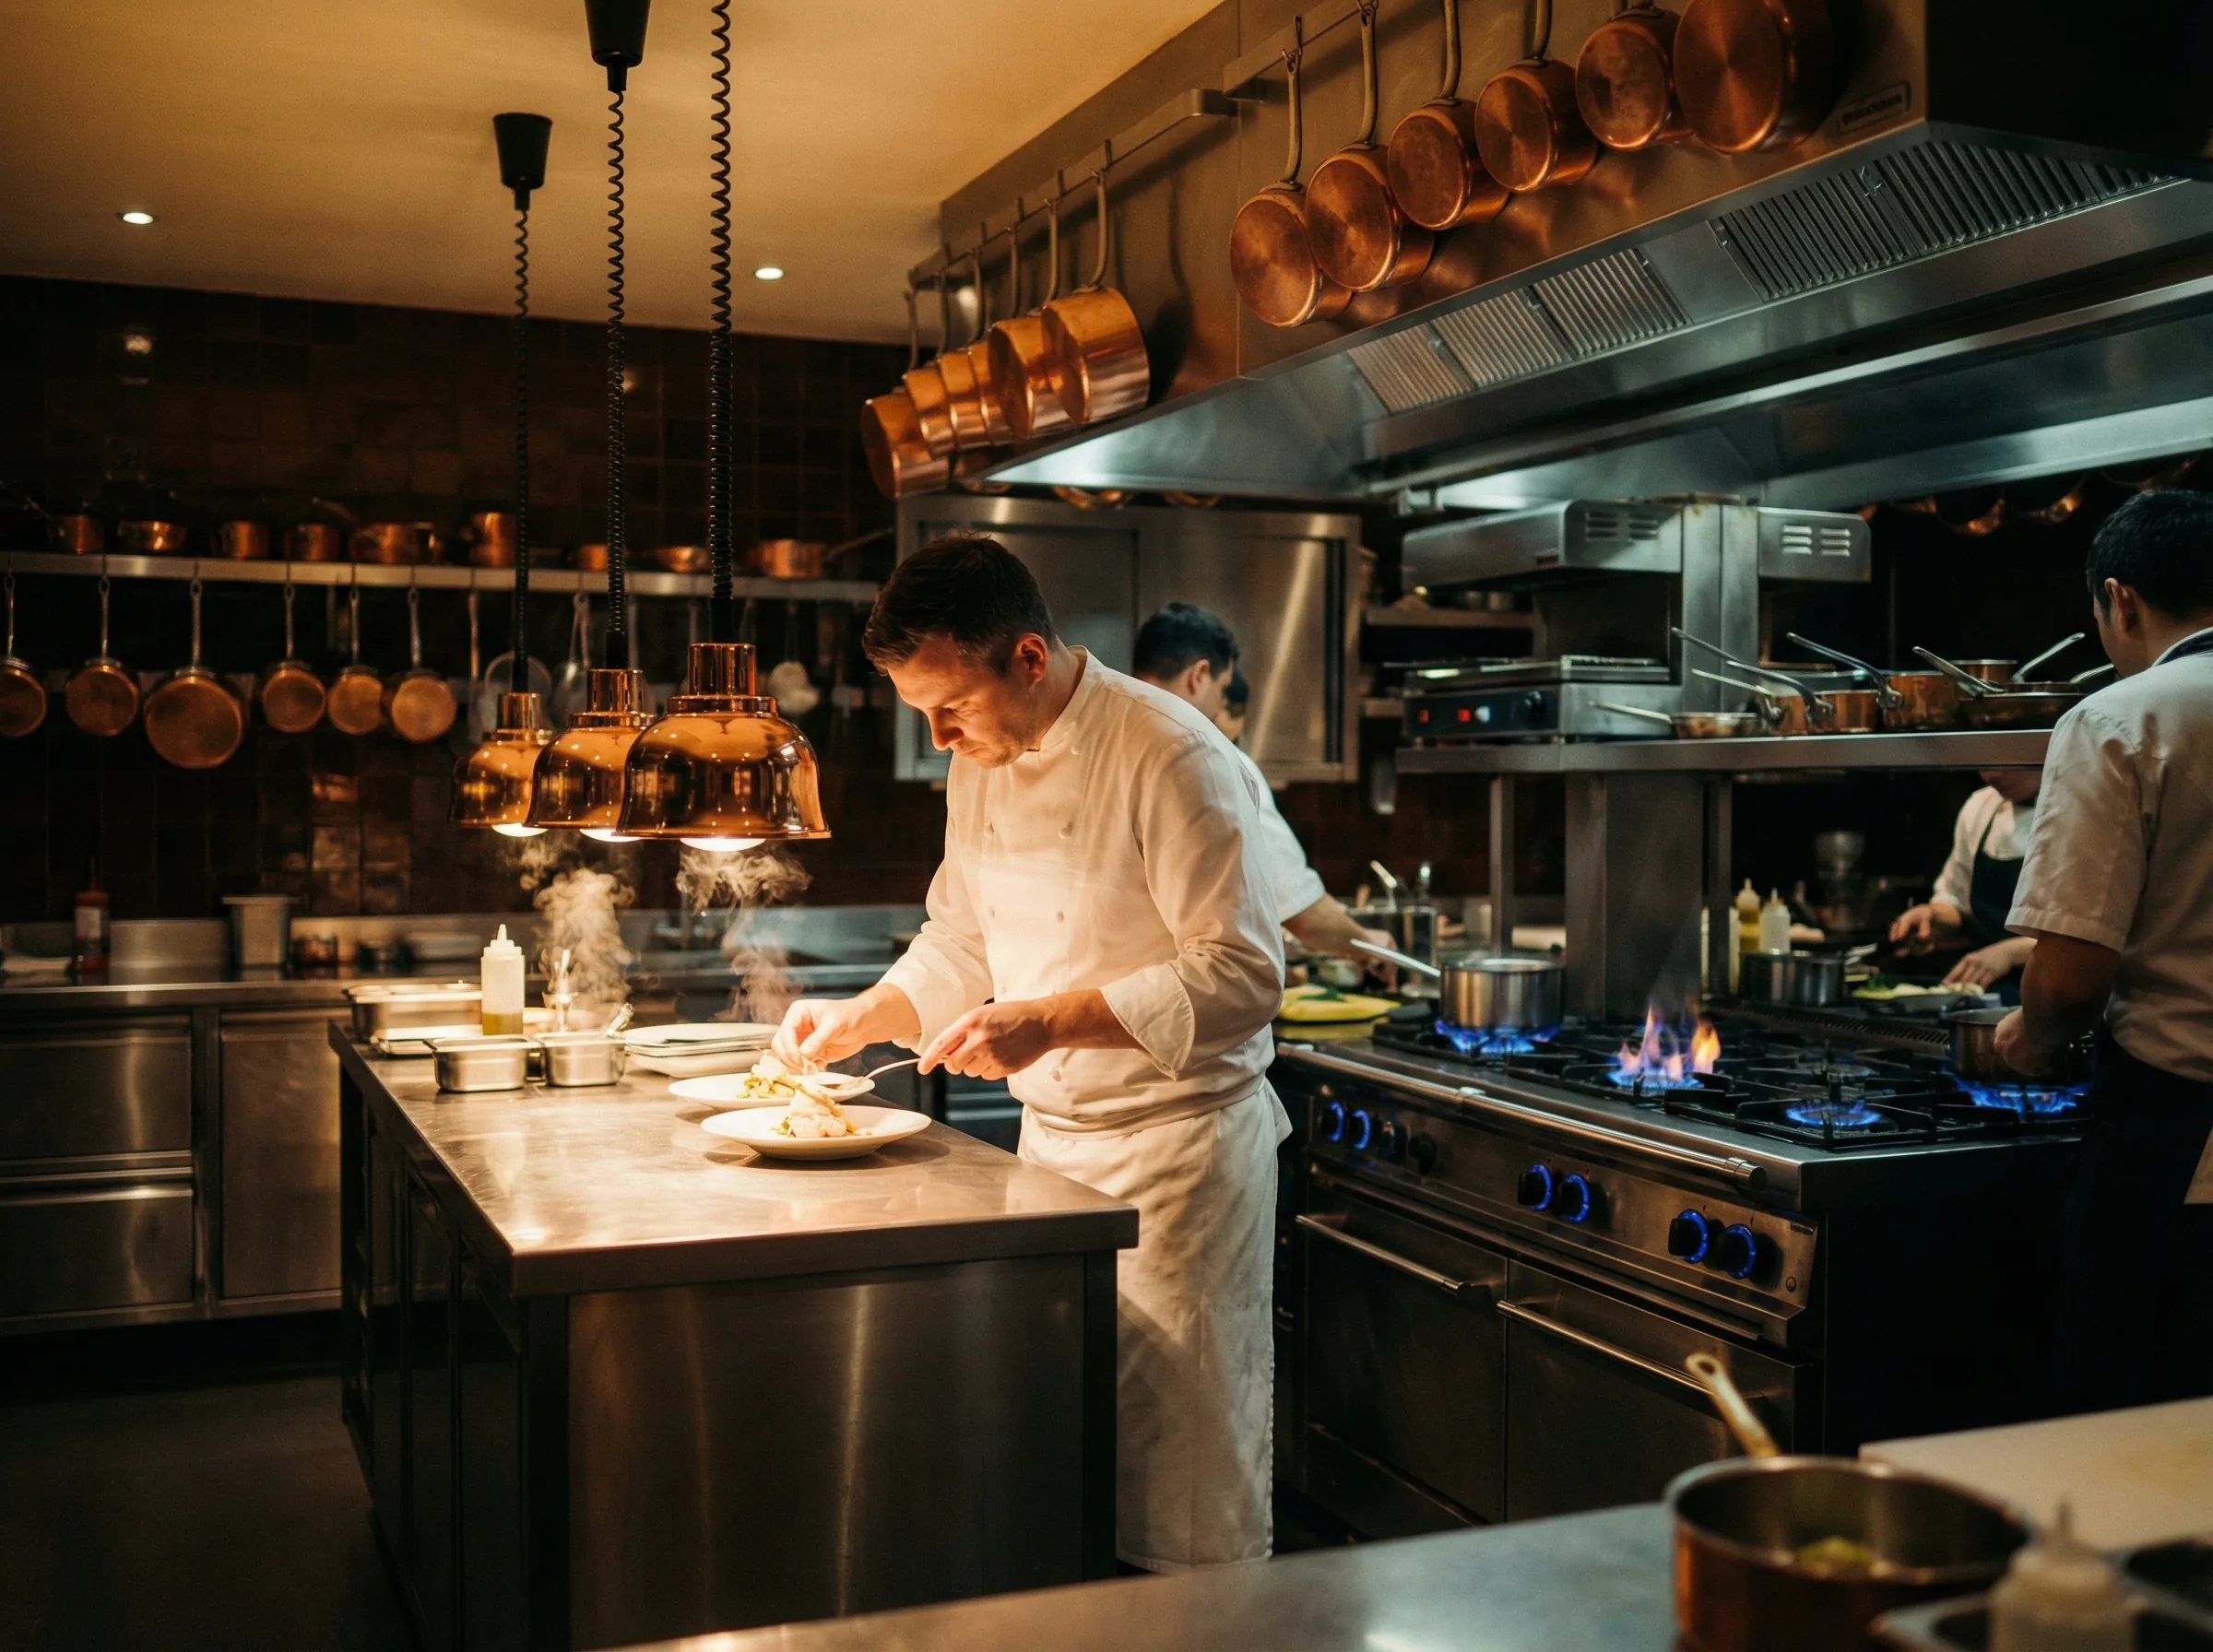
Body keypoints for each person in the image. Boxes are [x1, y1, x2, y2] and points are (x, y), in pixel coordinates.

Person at [773, 536, 1288, 1571]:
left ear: (1027, 659)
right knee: (1068, 1457)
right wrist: (871, 1011)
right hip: (1054, 1162)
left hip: (1175, 1171)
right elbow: (962, 935)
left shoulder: (1172, 751)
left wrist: (1048, 1020)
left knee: (1182, 1480)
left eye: (948, 706)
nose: (937, 734)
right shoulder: (983, 762)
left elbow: (1242, 974)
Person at [1996, 490, 2213, 1410]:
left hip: (2176, 1157)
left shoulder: (2122, 718)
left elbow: (2071, 981)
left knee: (2134, 1453)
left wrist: (2030, 1037)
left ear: (2119, 601)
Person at [1132, 602, 1390, 961]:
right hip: (1189, 999)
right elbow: (1302, 912)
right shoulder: (1214, 760)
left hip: (1107, 998)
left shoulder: (1101, 748)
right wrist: (1364, 942)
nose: (1220, 706)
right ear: (1199, 676)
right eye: (1222, 689)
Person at [1888, 769, 2044, 996]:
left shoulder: (2082, 807)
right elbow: (1958, 903)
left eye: (2006, 759)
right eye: (1984, 762)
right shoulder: (1981, 806)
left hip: (2057, 994)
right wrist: (1932, 916)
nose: (1992, 775)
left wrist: (2012, 952)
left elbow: (2092, 938)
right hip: (1992, 995)